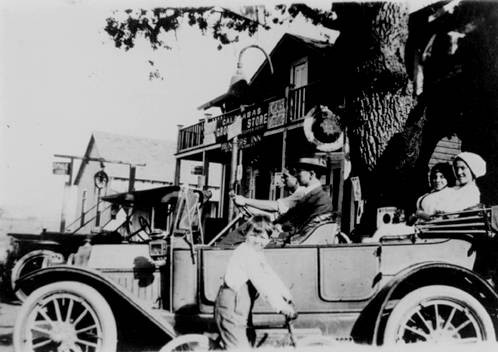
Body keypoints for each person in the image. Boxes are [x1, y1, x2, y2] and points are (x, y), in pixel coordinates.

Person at [214, 214, 297, 349]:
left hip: (240, 310)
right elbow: (261, 282)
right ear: (246, 235)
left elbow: (271, 276)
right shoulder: (246, 253)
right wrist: (280, 306)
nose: (258, 241)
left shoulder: (257, 255)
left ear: (269, 239)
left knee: (250, 340)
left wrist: (287, 296)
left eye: (263, 237)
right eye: (253, 235)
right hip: (231, 310)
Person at [274, 157, 334, 244]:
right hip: (295, 238)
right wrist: (275, 224)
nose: (296, 175)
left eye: (299, 171)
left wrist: (277, 232)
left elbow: (305, 228)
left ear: (311, 174)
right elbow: (290, 215)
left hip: (301, 243)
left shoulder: (320, 198)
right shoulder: (309, 195)